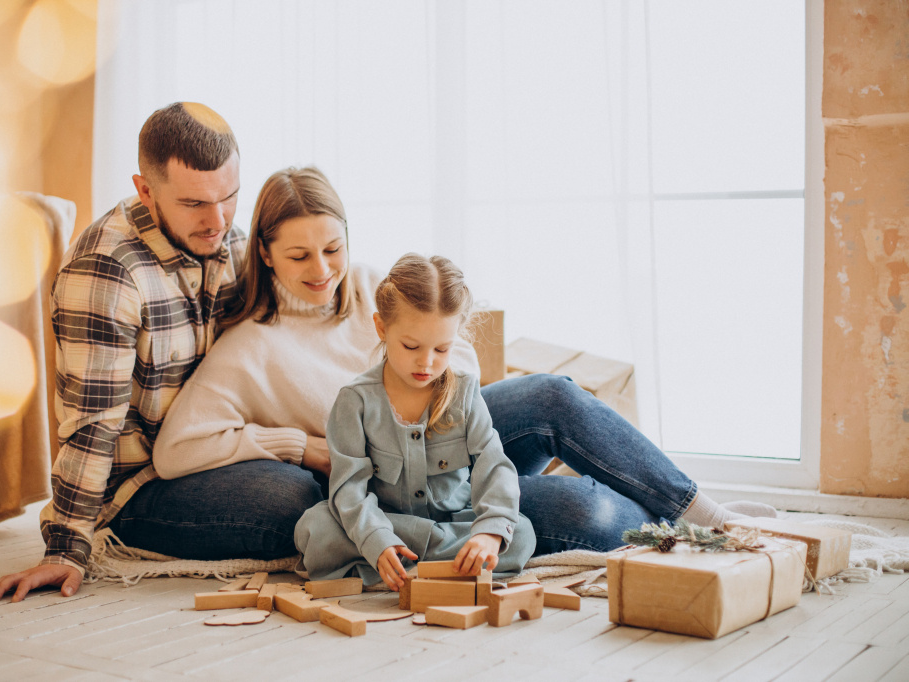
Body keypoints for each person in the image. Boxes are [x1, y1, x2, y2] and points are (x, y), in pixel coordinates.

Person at [151, 166, 774, 571]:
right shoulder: (252, 347)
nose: (322, 269)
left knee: (553, 394)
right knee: (589, 517)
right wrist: (300, 445)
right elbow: (176, 450)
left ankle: (710, 517)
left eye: (333, 248)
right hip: (398, 487)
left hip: (453, 442)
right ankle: (663, 521)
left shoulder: (374, 285)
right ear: (264, 251)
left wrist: (435, 393)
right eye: (299, 255)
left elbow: (457, 349)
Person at [0, 102, 247, 602]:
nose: (219, 221)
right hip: (136, 490)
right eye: (194, 204)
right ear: (146, 190)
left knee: (343, 471)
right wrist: (64, 550)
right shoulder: (108, 269)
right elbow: (91, 422)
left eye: (229, 197)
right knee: (296, 498)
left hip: (210, 454)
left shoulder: (223, 235)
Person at [294, 254, 536, 590]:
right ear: (382, 328)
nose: (426, 362)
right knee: (316, 527)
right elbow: (348, 489)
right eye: (411, 346)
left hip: (453, 524)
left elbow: (494, 466)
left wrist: (490, 532)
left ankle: (402, 572)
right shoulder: (355, 401)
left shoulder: (464, 393)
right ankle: (421, 565)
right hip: (387, 525)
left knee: (519, 532)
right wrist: (377, 541)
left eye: (442, 349)